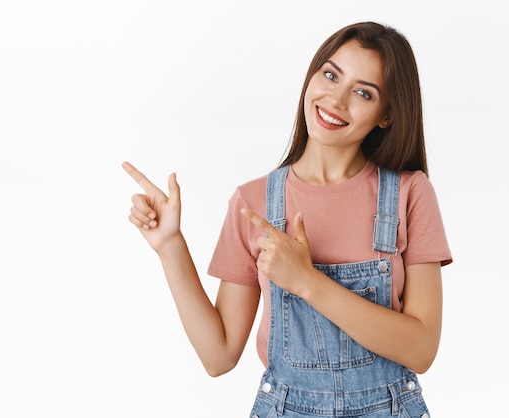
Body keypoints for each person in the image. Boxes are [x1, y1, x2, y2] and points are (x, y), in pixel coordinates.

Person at [123, 21, 452, 418]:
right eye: (331, 75)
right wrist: (170, 246)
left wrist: (307, 282)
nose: (336, 99)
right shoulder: (254, 201)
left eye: (363, 93)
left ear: (386, 115)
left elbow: (421, 349)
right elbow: (218, 356)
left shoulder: (409, 193)